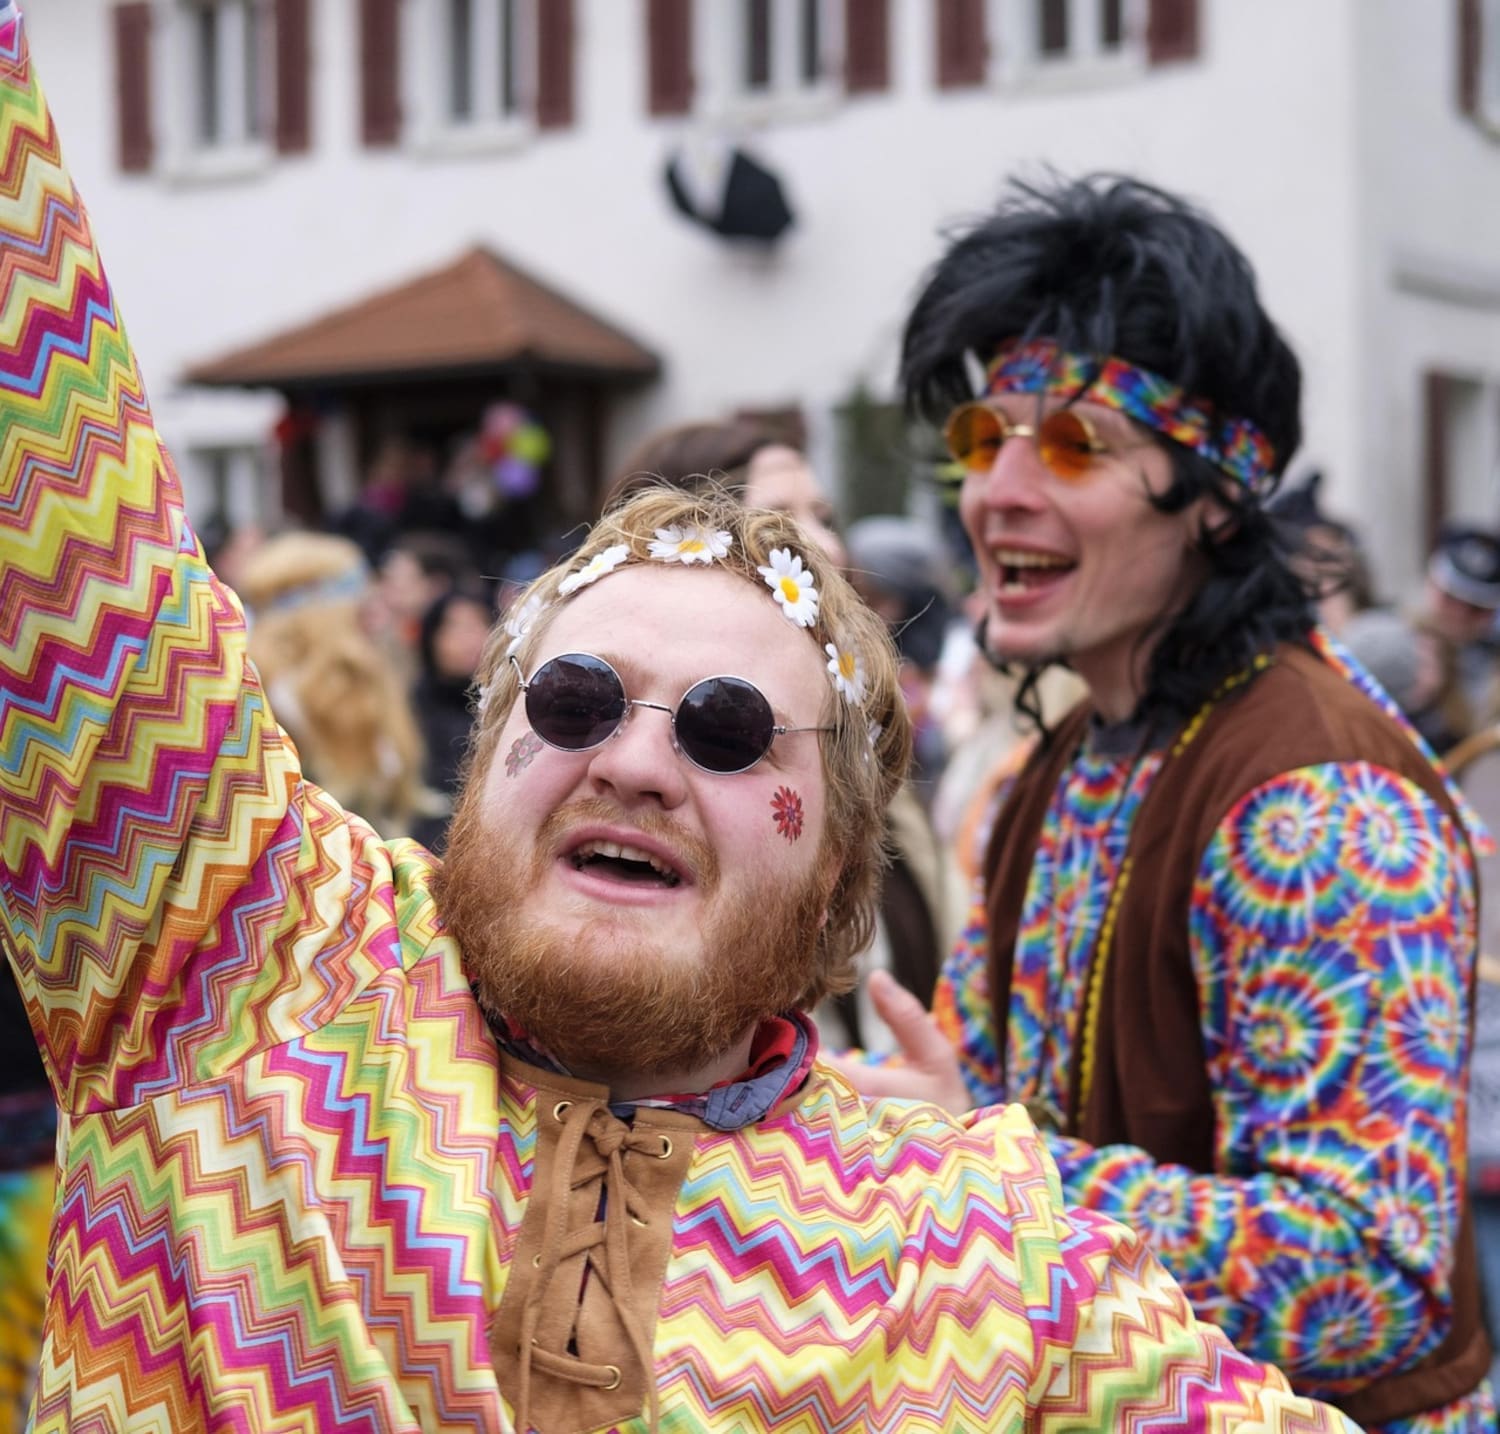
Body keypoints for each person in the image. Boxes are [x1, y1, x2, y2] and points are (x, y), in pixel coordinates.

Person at [0, 25, 1370, 1431]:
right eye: (575, 698)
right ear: (484, 761)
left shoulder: (981, 1248)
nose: (637, 759)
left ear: (843, 867)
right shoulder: (246, 954)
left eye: (728, 731)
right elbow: (49, 501)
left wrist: (1011, 1160)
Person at [832, 173, 1495, 1431]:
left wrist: (982, 1160)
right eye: (983, 438)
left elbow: (1373, 1281)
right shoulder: (1069, 755)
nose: (997, 491)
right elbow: (979, 1086)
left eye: (1076, 444)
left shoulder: (1321, 806)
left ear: (1216, 494)